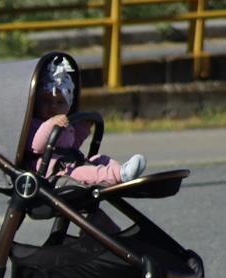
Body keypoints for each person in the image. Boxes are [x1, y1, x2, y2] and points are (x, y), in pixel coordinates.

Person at [26, 57, 144, 187]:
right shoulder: (33, 124)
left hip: (69, 163)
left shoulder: (65, 123)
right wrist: (51, 124)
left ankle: (122, 171)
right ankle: (118, 175)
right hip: (52, 171)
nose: (53, 106)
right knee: (83, 172)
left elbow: (72, 145)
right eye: (45, 101)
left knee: (100, 159)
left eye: (60, 102)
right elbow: (36, 146)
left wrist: (83, 128)